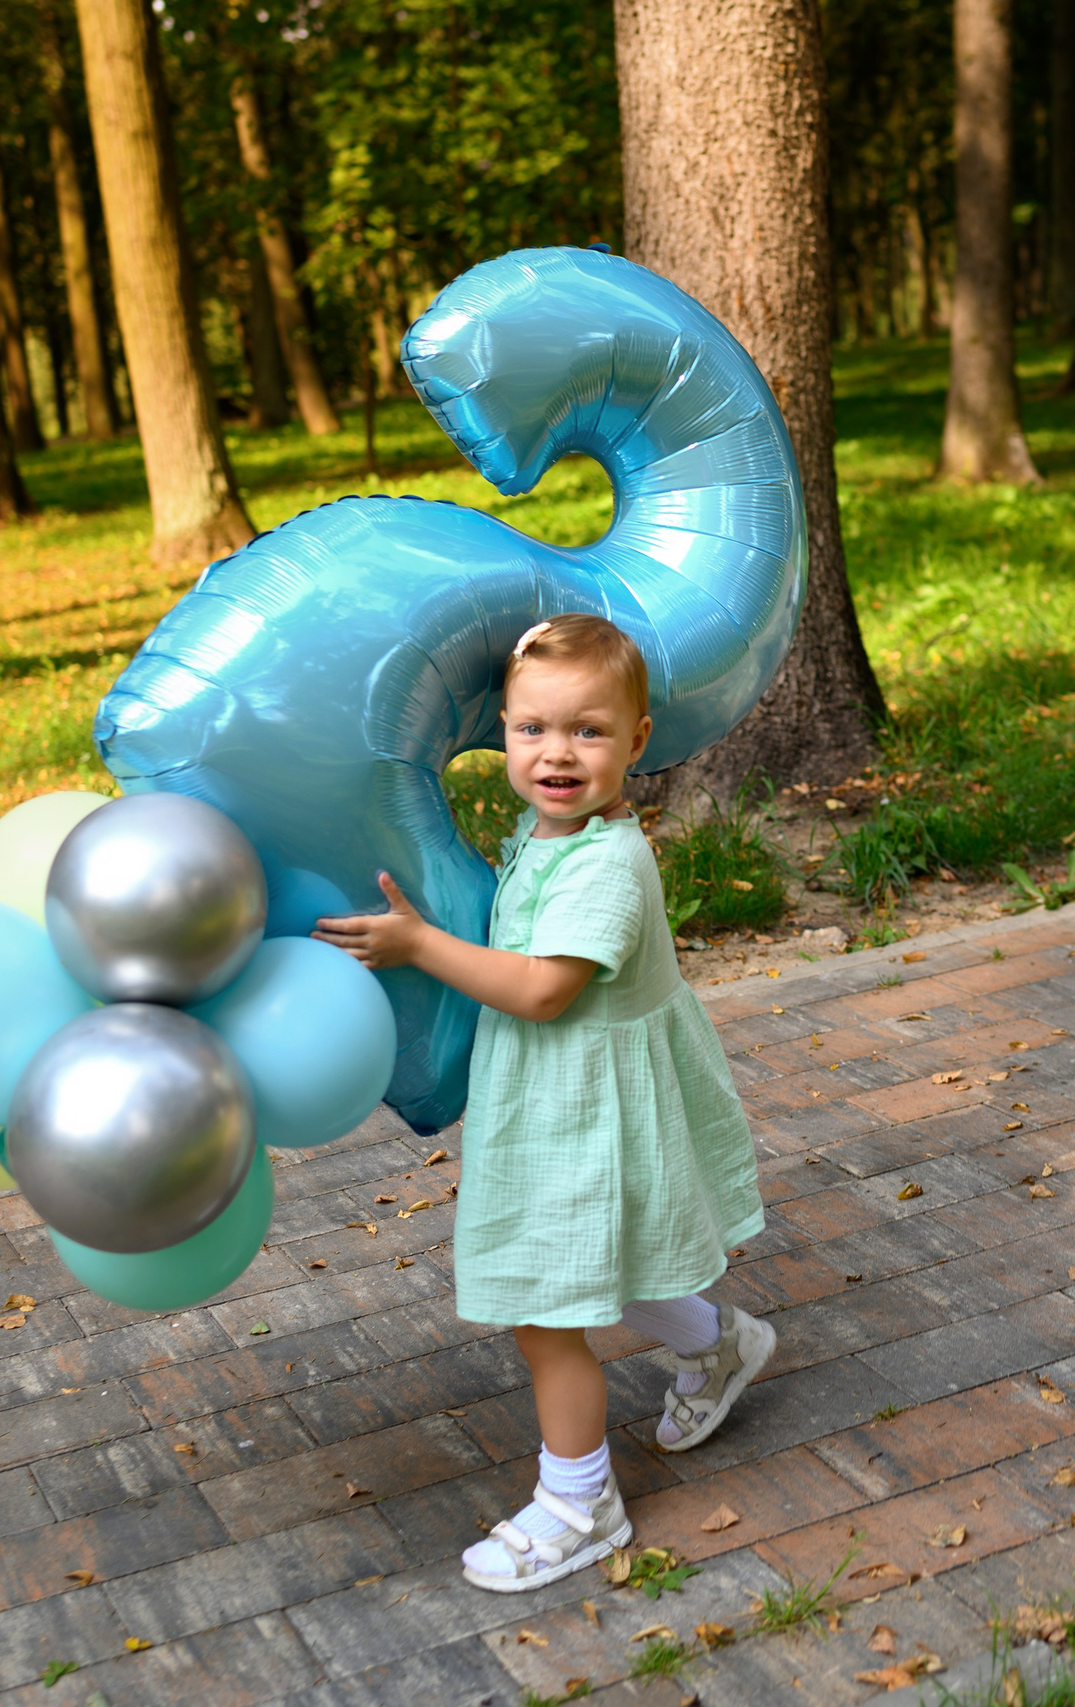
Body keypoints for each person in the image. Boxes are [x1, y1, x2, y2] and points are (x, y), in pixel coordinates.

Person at [313, 614, 774, 1593]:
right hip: (562, 1101)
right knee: (616, 1259)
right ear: (501, 734)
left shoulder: (608, 862)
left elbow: (542, 989)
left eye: (587, 731)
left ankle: (580, 1503)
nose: (556, 753)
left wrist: (420, 948)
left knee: (543, 1305)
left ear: (638, 739)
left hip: (590, 1106)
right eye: (532, 729)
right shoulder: (552, 831)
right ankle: (720, 1344)